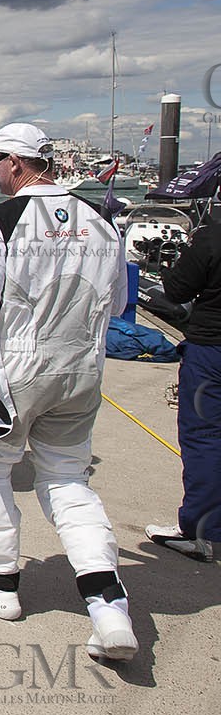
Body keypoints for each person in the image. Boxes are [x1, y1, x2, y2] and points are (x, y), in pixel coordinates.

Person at [0, 123, 136, 662]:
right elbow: (117, 306)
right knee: (69, 481)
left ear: (16, 164)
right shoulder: (102, 220)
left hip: (15, 371)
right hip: (82, 370)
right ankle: (108, 604)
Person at [146, 218, 221, 560]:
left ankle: (198, 532)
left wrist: (176, 260)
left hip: (212, 351)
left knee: (205, 439)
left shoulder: (211, 238)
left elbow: (177, 291)